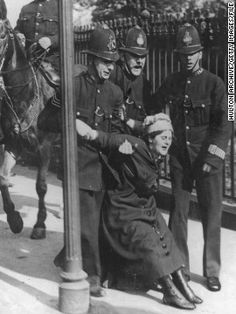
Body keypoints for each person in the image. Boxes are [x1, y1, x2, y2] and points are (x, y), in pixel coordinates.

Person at [75, 113, 203, 310]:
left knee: (167, 238)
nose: (167, 142)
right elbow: (101, 137)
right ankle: (169, 291)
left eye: (169, 138)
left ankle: (182, 285)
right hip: (123, 210)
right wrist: (81, 127)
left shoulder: (157, 155)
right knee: (150, 243)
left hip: (145, 208)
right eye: (163, 137)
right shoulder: (133, 144)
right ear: (150, 138)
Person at [151, 23, 232, 291]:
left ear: (201, 53)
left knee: (211, 214)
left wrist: (213, 157)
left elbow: (225, 124)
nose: (188, 57)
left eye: (192, 52)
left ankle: (211, 271)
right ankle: (180, 266)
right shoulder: (172, 81)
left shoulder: (215, 84)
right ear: (178, 54)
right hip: (180, 158)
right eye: (184, 53)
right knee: (178, 213)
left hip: (207, 158)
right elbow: (152, 103)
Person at [54, 25, 123, 297]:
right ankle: (91, 275)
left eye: (113, 63)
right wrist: (72, 123)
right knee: (87, 222)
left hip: (103, 169)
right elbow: (45, 119)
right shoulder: (73, 86)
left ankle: (73, 260)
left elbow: (116, 134)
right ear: (93, 59)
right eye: (105, 62)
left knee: (102, 222)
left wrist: (95, 134)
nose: (109, 67)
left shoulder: (115, 93)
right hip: (78, 168)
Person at [110, 25, 152, 135]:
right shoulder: (112, 75)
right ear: (123, 56)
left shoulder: (144, 83)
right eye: (134, 55)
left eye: (143, 56)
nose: (139, 61)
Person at [14, 0, 60, 86]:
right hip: (28, 60)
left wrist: (51, 40)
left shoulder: (59, 7)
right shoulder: (26, 8)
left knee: (58, 88)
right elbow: (17, 29)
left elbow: (69, 33)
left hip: (52, 60)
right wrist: (18, 34)